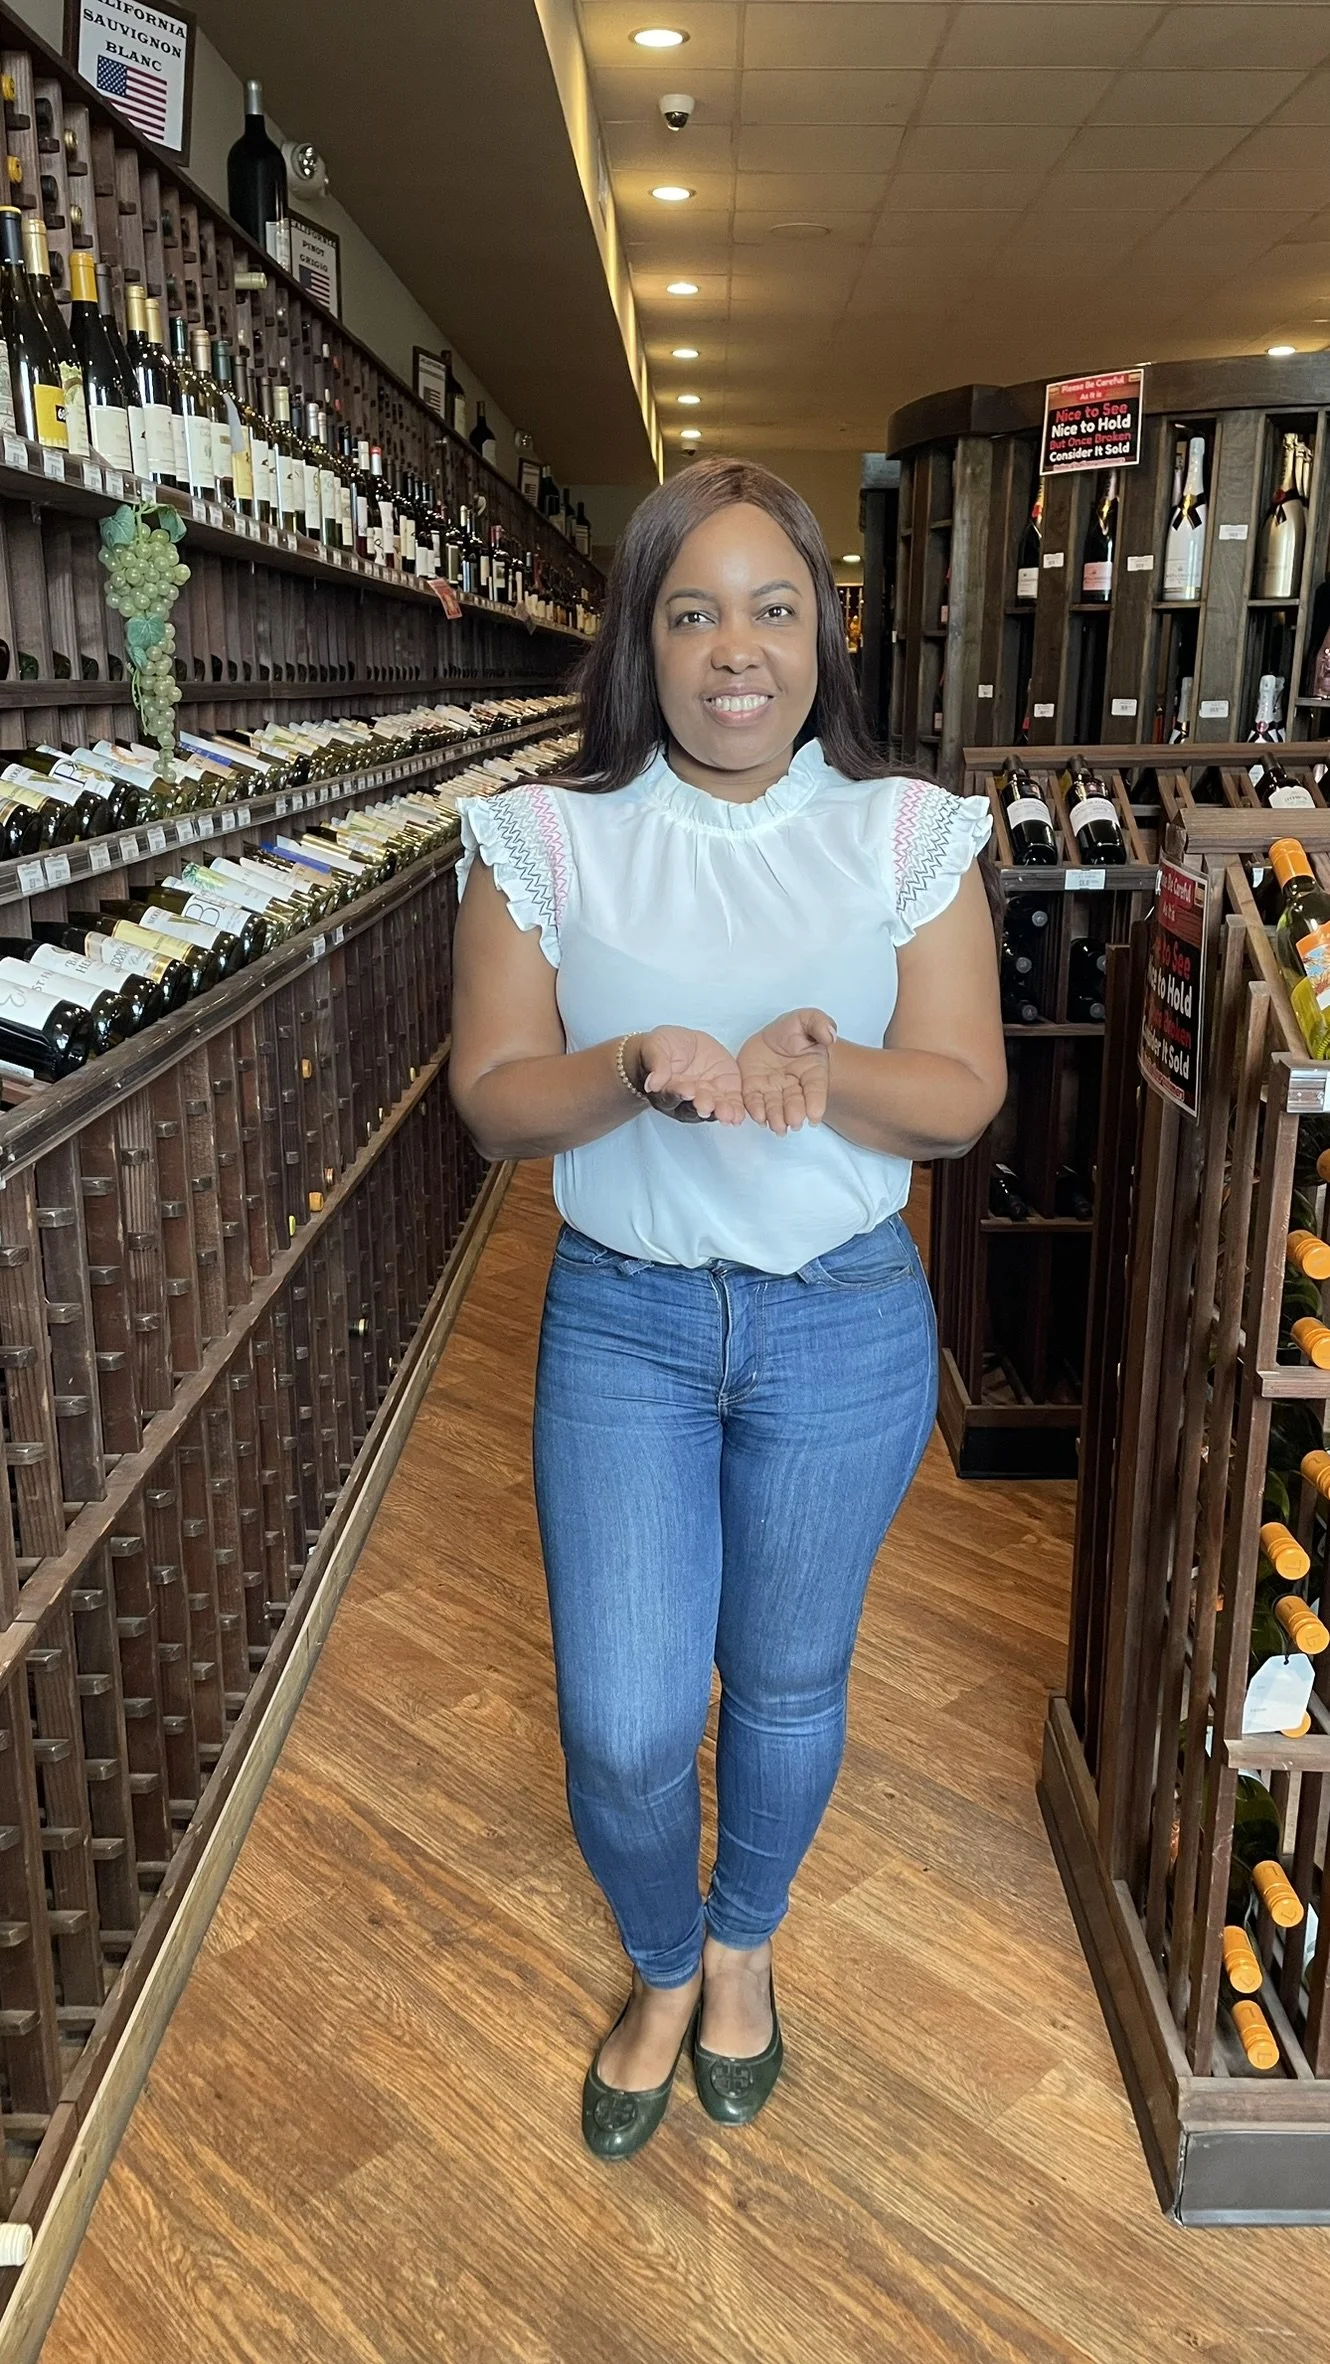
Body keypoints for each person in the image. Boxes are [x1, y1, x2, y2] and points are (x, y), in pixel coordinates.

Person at [448, 457, 1005, 2162]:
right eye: (692, 612)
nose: (735, 647)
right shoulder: (547, 839)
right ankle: (662, 1958)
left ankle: (743, 1948)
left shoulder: (905, 831)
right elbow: (492, 1098)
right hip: (622, 1323)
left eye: (773, 608)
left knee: (781, 1682)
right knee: (623, 1723)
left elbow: (959, 1097)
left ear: (822, 633)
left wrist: (827, 1067)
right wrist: (626, 1066)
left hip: (842, 1322)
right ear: (642, 639)